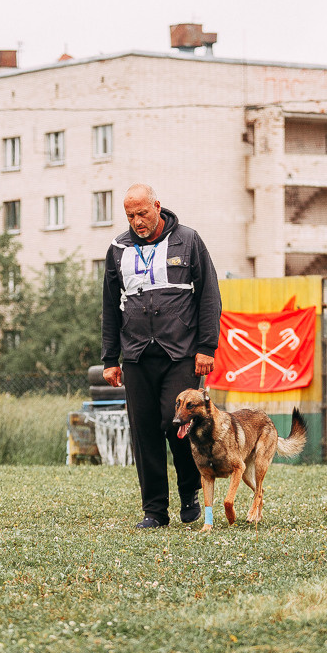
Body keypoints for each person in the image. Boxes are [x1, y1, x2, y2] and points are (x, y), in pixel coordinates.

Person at [102, 183, 221, 528]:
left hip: (181, 353)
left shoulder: (188, 240)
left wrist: (206, 347)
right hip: (136, 355)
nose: (137, 221)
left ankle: (189, 493)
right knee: (145, 433)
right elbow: (110, 307)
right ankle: (154, 511)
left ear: (157, 206)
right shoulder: (118, 248)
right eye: (130, 215)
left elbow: (209, 296)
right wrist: (111, 358)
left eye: (142, 213)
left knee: (179, 425)